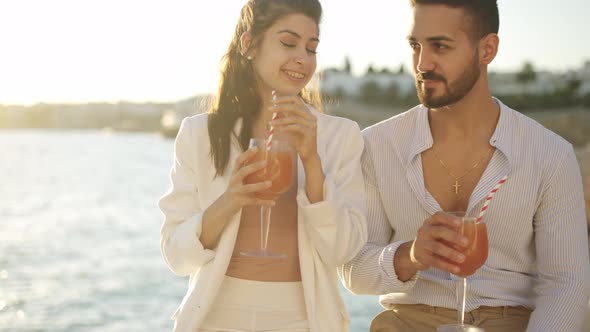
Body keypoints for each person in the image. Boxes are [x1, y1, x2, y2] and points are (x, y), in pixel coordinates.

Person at [339, 0, 590, 331]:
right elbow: (354, 270)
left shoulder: (550, 155)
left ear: (487, 49)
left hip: (513, 322)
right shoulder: (375, 146)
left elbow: (566, 284)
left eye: (440, 46)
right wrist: (410, 255)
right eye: (415, 45)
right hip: (408, 322)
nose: (422, 63)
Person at [158, 0, 367, 331]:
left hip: (303, 320)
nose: (302, 58)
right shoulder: (200, 134)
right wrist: (230, 200)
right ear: (250, 45)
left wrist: (312, 161)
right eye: (288, 42)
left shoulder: (340, 136)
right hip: (215, 318)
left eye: (311, 48)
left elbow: (342, 251)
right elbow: (176, 255)